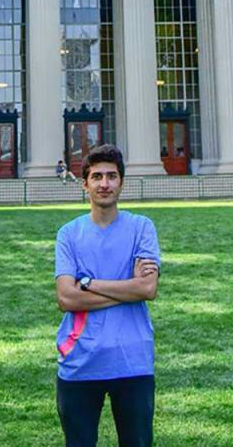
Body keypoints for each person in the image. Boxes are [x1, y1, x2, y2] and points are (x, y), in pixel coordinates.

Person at [54, 144, 161, 447]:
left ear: (121, 182)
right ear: (84, 183)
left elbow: (147, 289)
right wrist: (128, 289)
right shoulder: (68, 234)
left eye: (112, 176)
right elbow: (66, 299)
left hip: (133, 360)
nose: (105, 184)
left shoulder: (142, 227)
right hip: (79, 361)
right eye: (97, 176)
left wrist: (87, 282)